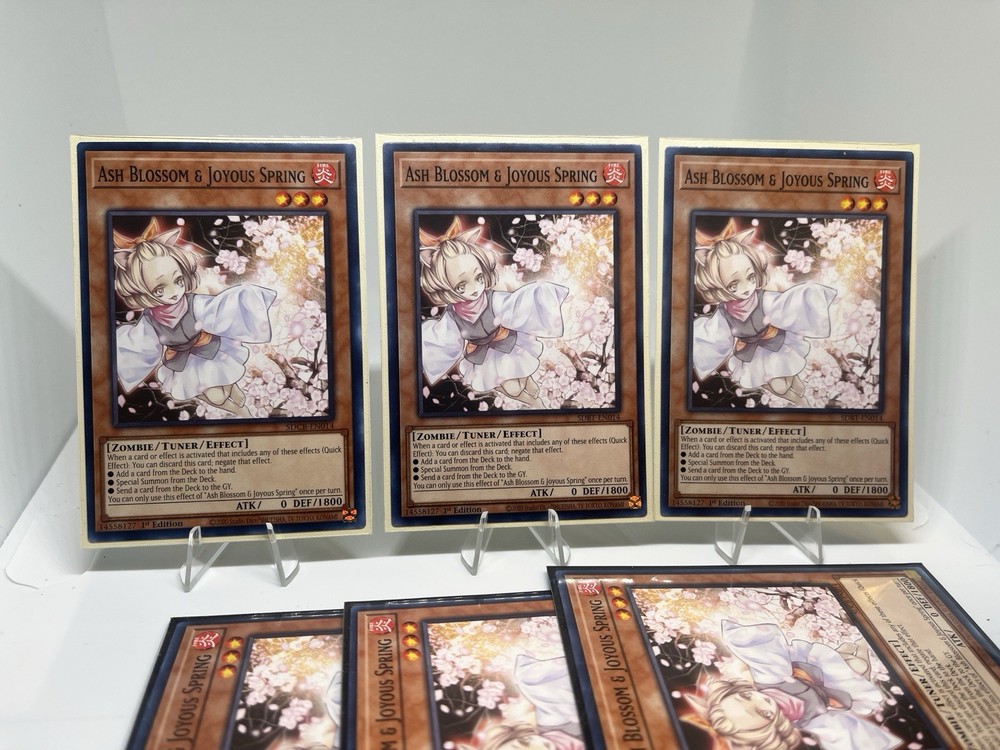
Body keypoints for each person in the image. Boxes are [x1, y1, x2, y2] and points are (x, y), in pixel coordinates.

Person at [114, 219, 275, 416]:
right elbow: (139, 344)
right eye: (159, 290)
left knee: (223, 381)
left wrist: (247, 300)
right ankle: (237, 409)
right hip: (182, 362)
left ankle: (232, 388)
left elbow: (219, 310)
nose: (174, 292)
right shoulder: (150, 320)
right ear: (141, 291)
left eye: (178, 280)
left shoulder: (193, 302)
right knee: (215, 397)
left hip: (209, 349)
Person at [419, 219, 567, 408]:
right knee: (508, 388)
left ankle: (528, 383)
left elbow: (515, 308)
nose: (474, 289)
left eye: (479, 277)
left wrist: (541, 296)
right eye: (461, 286)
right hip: (481, 355)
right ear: (444, 287)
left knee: (516, 380)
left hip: (506, 343)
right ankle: (532, 401)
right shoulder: (452, 315)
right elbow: (444, 339)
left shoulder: (492, 298)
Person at [686, 620, 901, 750]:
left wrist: (740, 637)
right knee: (859, 665)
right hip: (833, 694)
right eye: (764, 713)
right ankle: (867, 646)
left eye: (747, 697)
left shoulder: (769, 680)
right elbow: (838, 731)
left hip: (817, 673)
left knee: (849, 657)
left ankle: (864, 641)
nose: (763, 700)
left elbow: (765, 654)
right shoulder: (806, 721)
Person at [692, 222, 835, 407]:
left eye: (750, 277)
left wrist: (810, 296)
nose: (746, 288)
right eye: (733, 285)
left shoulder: (763, 298)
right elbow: (713, 336)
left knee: (786, 377)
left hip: (775, 342)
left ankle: (795, 384)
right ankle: (799, 400)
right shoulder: (723, 313)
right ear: (717, 286)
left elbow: (786, 306)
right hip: (751, 354)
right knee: (779, 387)